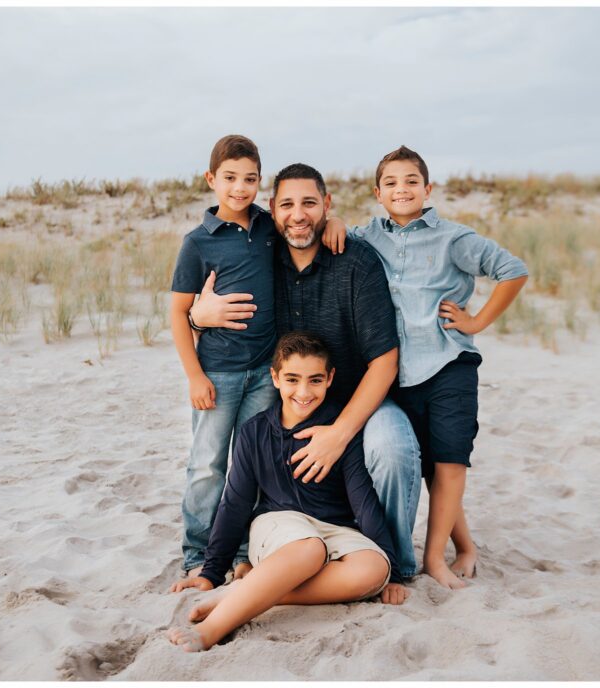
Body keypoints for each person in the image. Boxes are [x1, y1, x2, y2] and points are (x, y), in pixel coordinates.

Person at [189, 163, 423, 581]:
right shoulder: (262, 256)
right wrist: (197, 317)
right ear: (272, 211)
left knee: (393, 449)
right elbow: (199, 295)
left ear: (327, 205)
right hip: (296, 398)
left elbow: (384, 362)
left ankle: (398, 565)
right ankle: (233, 556)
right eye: (287, 205)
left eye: (310, 204)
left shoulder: (356, 262)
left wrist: (340, 433)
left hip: (358, 398)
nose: (299, 215)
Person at [350, 145, 528, 588]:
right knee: (429, 466)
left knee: (449, 464)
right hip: (397, 373)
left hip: (449, 364)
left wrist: (477, 321)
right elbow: (333, 242)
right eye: (391, 182)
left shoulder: (454, 238)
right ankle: (466, 545)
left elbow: (513, 269)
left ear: (427, 189)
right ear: (377, 192)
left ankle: (434, 558)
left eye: (411, 181)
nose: (402, 189)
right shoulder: (367, 236)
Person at [170, 136, 345, 580]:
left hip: (265, 372)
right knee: (208, 463)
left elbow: (304, 222)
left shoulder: (269, 226)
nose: (239, 187)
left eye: (249, 178)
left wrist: (336, 219)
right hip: (218, 372)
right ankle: (197, 555)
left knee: (252, 463)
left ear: (259, 182)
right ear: (211, 179)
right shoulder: (198, 243)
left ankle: (245, 552)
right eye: (229, 178)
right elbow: (177, 311)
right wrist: (194, 375)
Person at [167, 331, 407, 653]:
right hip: (279, 525)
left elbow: (363, 500)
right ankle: (213, 628)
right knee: (308, 550)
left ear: (330, 378)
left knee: (374, 570)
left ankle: (243, 591)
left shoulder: (338, 430)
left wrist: (391, 567)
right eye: (292, 379)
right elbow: (235, 503)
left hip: (335, 529)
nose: (303, 392)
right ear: (275, 377)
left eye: (315, 380)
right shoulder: (255, 432)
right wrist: (211, 571)